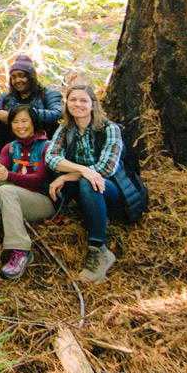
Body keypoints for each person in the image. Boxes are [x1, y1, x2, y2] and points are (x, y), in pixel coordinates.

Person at [44, 82, 123, 283]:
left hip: (110, 190)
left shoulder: (110, 129)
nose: (77, 104)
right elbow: (51, 158)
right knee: (81, 179)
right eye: (73, 100)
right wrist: (81, 169)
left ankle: (99, 250)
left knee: (90, 182)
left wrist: (67, 175)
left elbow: (106, 169)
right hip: (83, 187)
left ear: (93, 104)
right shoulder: (65, 129)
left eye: (83, 100)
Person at [0, 104, 54, 279]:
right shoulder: (11, 148)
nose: (20, 126)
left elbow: (39, 178)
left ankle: (21, 250)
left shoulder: (46, 147)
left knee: (6, 189)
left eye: (24, 121)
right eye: (15, 122)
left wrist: (8, 175)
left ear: (34, 123)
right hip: (15, 196)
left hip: (42, 201)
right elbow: (0, 171)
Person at [0, 54, 64, 165]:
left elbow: (58, 113)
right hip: (14, 137)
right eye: (13, 77)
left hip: (40, 138)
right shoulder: (7, 97)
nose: (17, 80)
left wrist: (28, 115)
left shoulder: (48, 94)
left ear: (31, 77)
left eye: (21, 76)